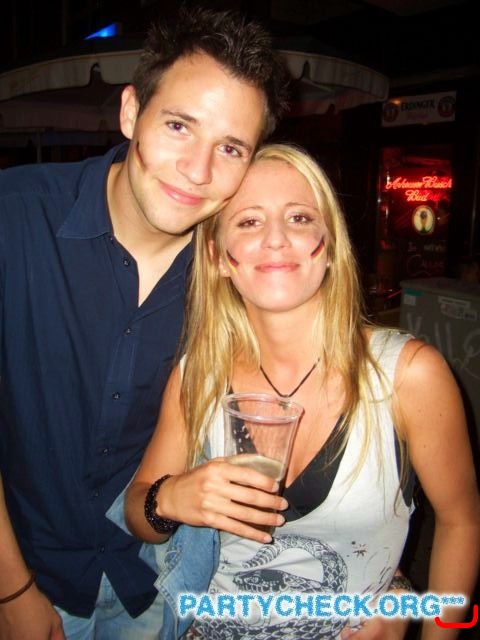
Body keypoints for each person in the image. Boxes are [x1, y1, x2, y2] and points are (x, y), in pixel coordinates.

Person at [0, 7, 290, 640]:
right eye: (179, 126)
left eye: (230, 148)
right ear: (132, 112)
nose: (198, 170)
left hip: (155, 582)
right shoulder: (14, 218)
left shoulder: (234, 273)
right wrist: (11, 591)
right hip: (26, 578)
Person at [125, 143, 480, 639]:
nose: (275, 239)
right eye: (249, 221)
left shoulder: (407, 376)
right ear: (217, 257)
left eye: (298, 218)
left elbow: (461, 522)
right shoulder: (198, 375)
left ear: (329, 245)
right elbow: (138, 511)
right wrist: (170, 499)